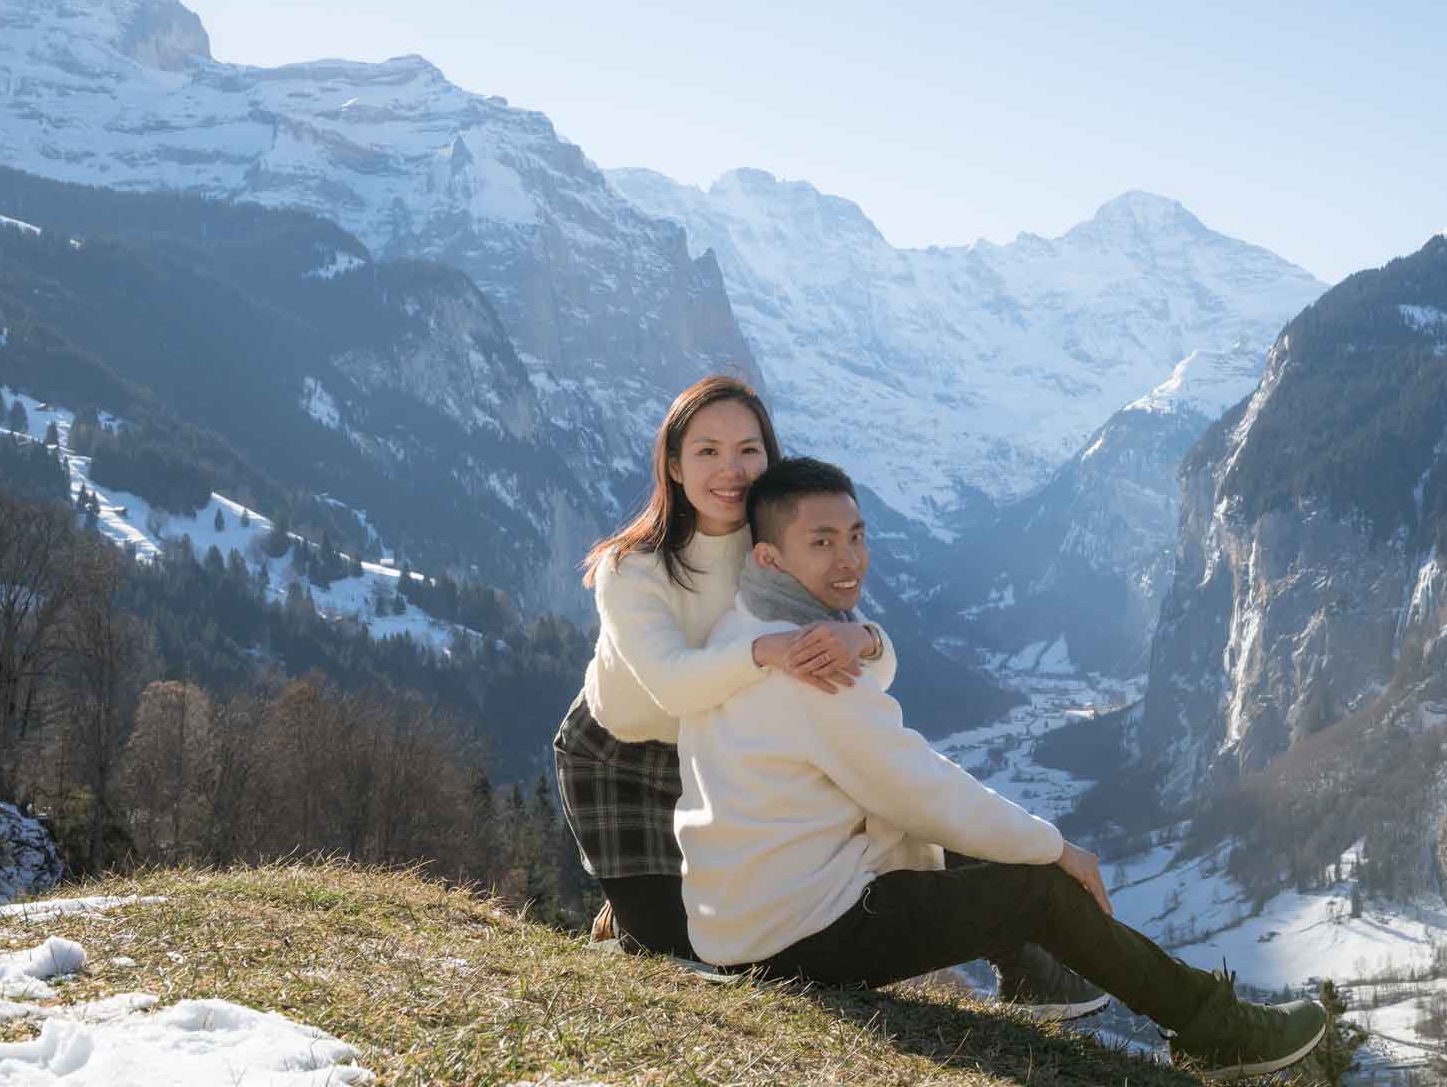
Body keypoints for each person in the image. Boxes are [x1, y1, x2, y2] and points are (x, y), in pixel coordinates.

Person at [675, 458, 1330, 1080]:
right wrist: (1058, 849)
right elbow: (923, 792)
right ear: (769, 558)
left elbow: (905, 777)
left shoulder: (745, 634)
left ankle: (1038, 983)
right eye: (821, 543)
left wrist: (870, 638)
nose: (848, 560)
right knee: (1036, 886)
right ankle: (1217, 1029)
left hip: (737, 918)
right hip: (792, 940)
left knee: (969, 842)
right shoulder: (814, 674)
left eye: (855, 535)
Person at [552, 375, 878, 960]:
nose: (731, 469)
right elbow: (674, 685)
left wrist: (866, 640)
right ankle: (630, 910)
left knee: (742, 942)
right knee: (674, 956)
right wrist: (764, 651)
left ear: (768, 459)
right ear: (674, 466)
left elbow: (860, 651)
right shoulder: (630, 568)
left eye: (748, 451)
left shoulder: (778, 550)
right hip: (618, 759)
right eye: (707, 451)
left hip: (725, 760)